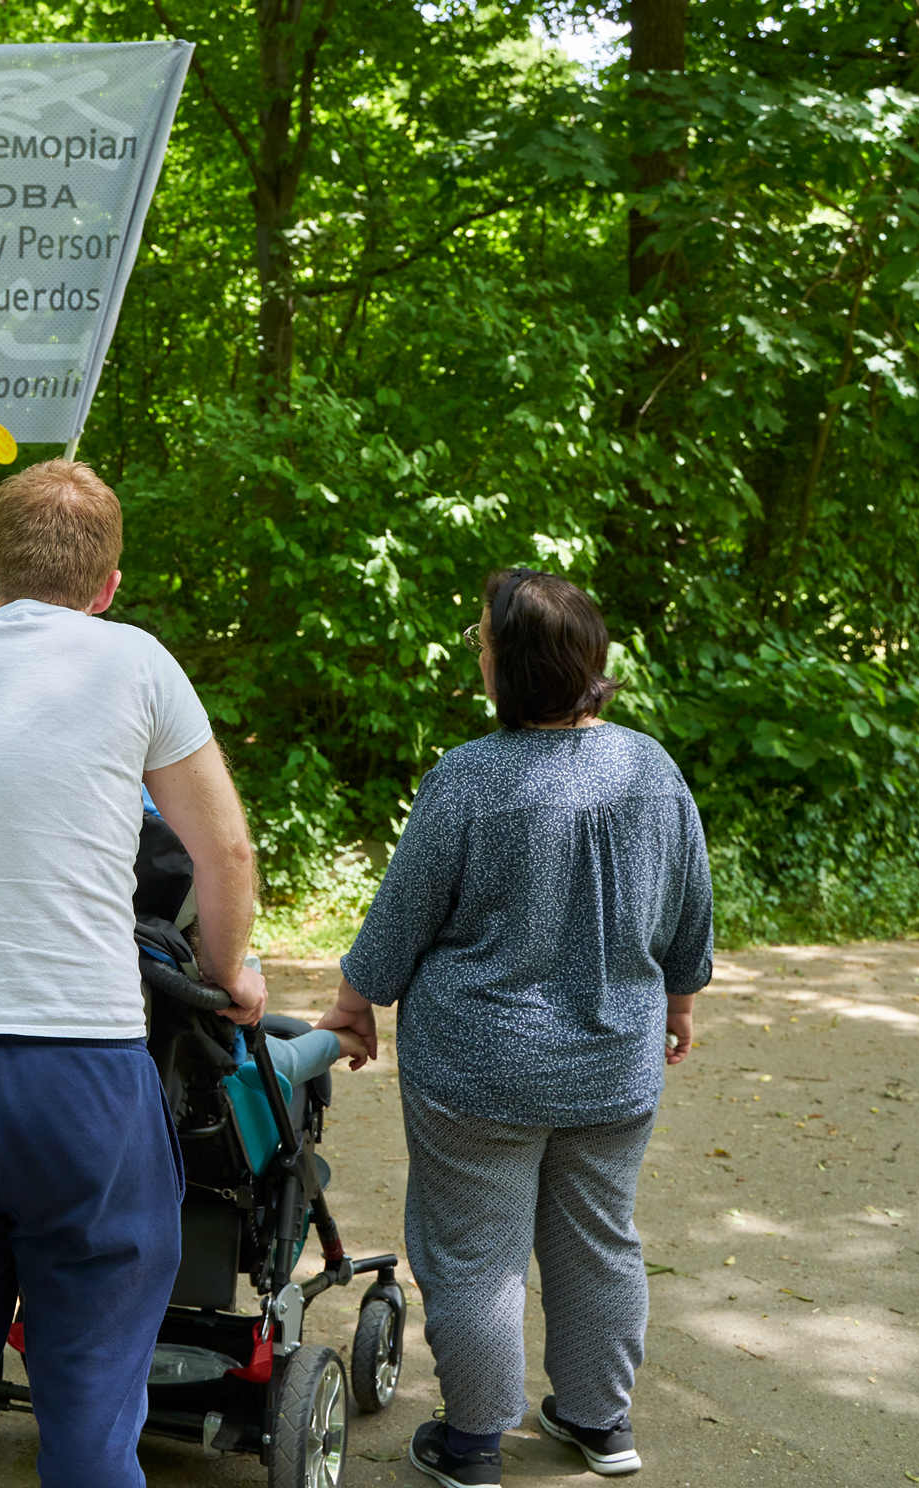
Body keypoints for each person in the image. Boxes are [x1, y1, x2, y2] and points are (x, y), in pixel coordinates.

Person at [0, 459, 267, 1488]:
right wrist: (230, 975)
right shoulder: (138, 664)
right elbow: (224, 854)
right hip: (81, 1072)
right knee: (88, 1420)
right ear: (109, 585)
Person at [317, 567, 712, 1488]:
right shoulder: (651, 768)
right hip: (612, 1066)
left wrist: (354, 1004)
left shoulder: (470, 778)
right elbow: (690, 905)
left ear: (511, 668)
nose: (478, 655)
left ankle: (473, 1446)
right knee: (599, 1241)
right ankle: (599, 1421)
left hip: (479, 1072)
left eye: (484, 643)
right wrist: (680, 1002)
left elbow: (400, 917)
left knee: (476, 1254)